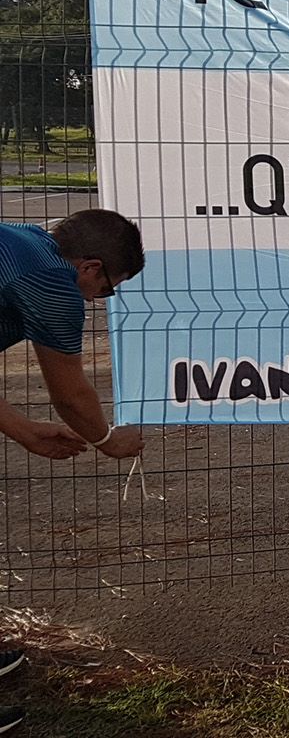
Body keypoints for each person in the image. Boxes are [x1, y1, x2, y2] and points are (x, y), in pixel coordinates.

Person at [0, 208, 145, 733]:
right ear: (89, 268)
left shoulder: (22, 241)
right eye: (107, 290)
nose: (98, 300)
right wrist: (106, 439)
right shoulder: (52, 283)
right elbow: (70, 393)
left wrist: (17, 425)